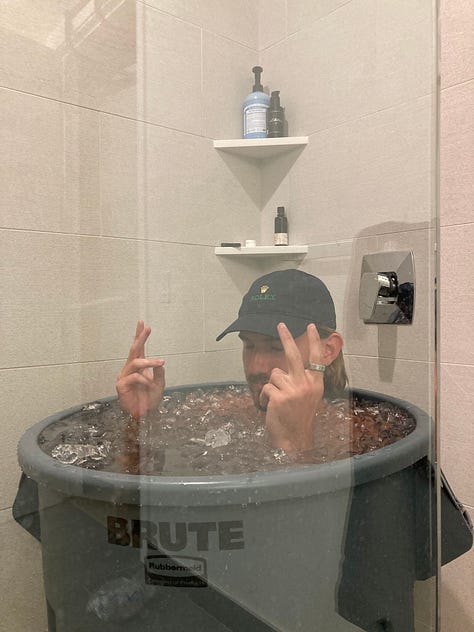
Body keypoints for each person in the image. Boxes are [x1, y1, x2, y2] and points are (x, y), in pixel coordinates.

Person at [116, 269, 347, 459]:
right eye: (249, 345)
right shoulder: (231, 410)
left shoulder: (347, 433)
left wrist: (296, 443)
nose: (256, 367)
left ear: (328, 350)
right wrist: (141, 419)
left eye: (276, 347)